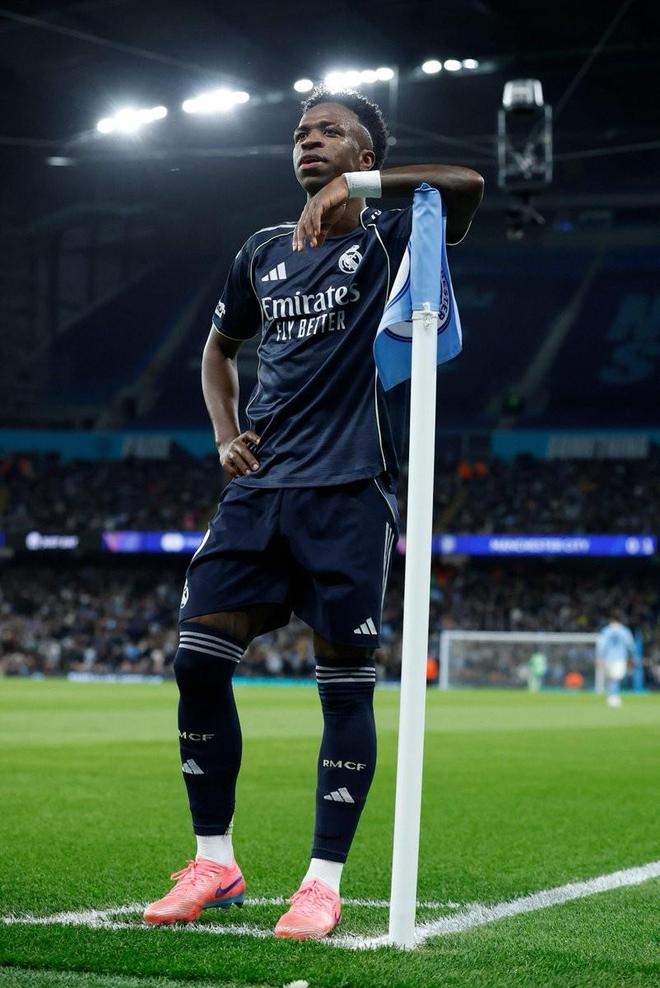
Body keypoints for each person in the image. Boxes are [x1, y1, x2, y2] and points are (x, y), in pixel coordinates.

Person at [144, 88, 483, 939]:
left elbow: (466, 184)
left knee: (343, 687)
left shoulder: (393, 236)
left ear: (366, 157)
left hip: (350, 488)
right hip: (258, 492)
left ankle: (322, 882)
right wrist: (224, 435)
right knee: (196, 662)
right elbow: (218, 350)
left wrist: (355, 193)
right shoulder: (260, 251)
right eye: (301, 133)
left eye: (331, 132)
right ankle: (214, 862)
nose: (309, 141)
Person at [596, 613, 636, 707]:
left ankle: (611, 695)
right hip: (620, 658)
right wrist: (632, 656)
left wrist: (600, 657)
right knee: (616, 678)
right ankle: (614, 696)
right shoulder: (625, 631)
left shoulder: (606, 630)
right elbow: (630, 645)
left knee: (611, 678)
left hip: (608, 658)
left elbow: (601, 645)